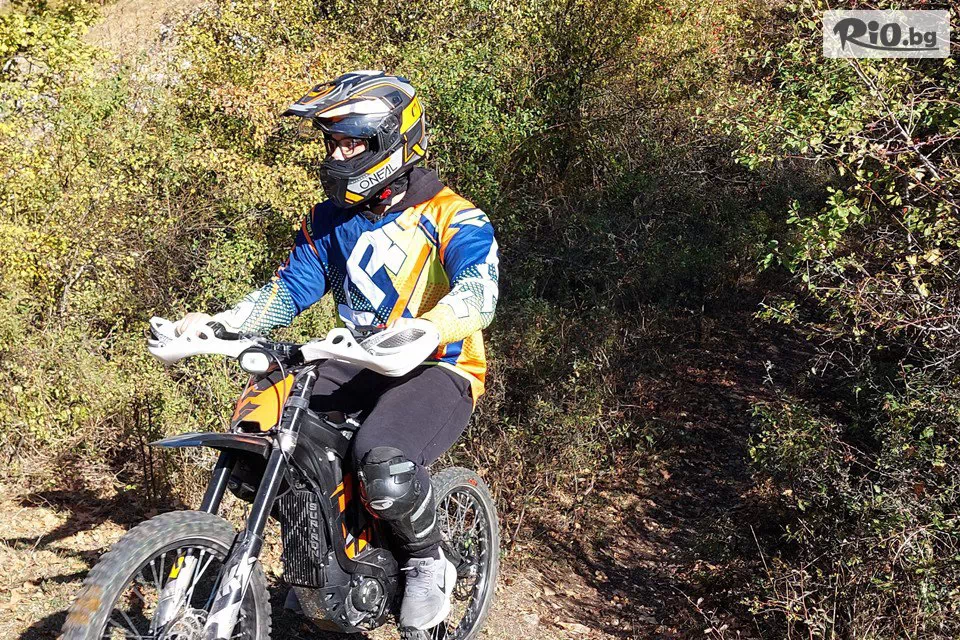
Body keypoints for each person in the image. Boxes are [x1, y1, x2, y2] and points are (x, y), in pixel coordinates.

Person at [173, 70, 499, 631]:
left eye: (352, 142)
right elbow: (289, 290)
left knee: (385, 465)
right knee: (261, 433)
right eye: (333, 143)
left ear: (393, 140)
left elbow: (479, 290)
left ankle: (428, 561)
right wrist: (219, 324)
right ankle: (322, 560)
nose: (337, 155)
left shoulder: (454, 215)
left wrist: (430, 328)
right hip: (354, 357)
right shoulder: (330, 219)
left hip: (438, 366)